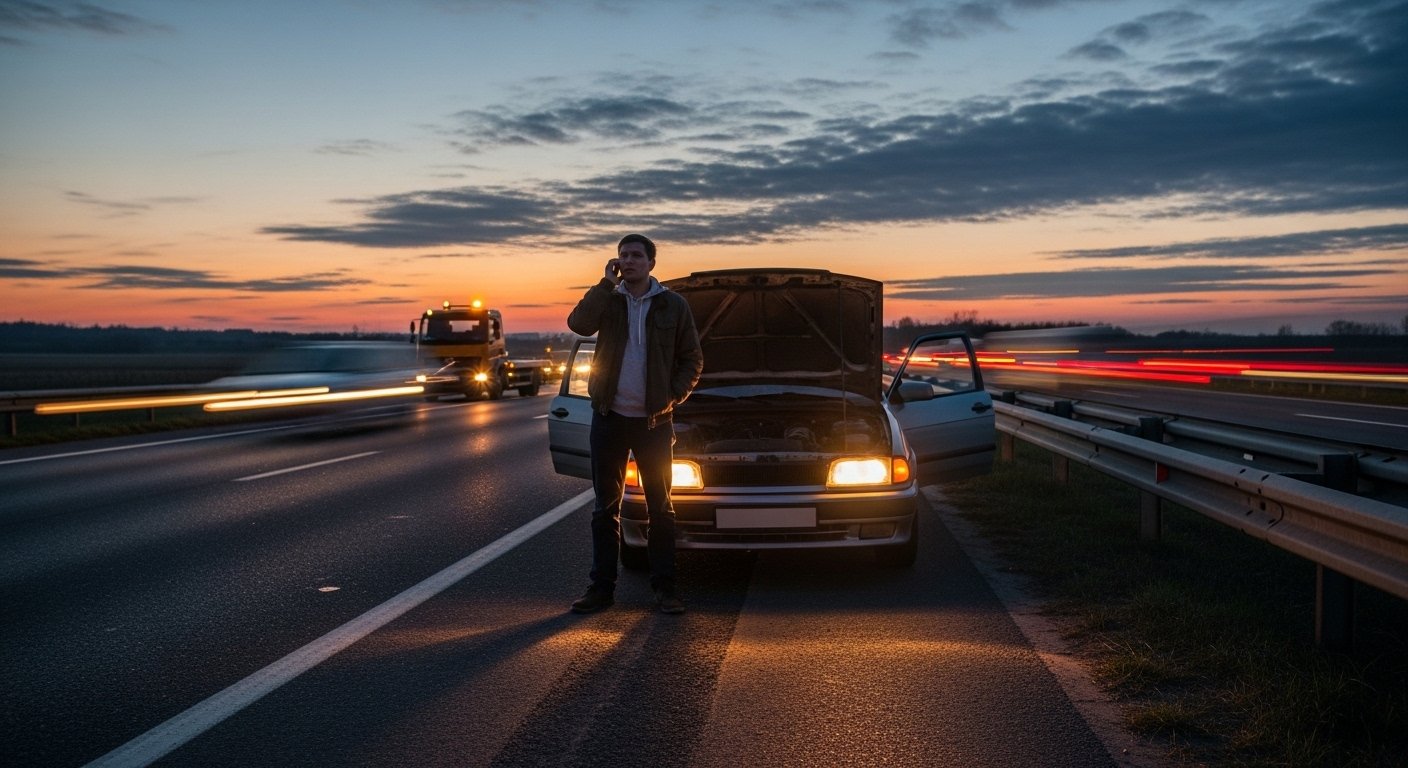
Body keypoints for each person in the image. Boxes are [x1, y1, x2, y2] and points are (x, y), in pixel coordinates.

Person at [566, 233, 703, 615]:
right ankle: (601, 590)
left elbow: (693, 358)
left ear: (651, 263)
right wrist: (604, 284)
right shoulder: (608, 301)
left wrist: (670, 397)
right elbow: (578, 324)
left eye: (636, 256)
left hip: (654, 422)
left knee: (661, 509)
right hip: (609, 418)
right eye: (623, 255)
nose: (628, 261)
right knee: (604, 509)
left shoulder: (673, 306)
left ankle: (664, 589)